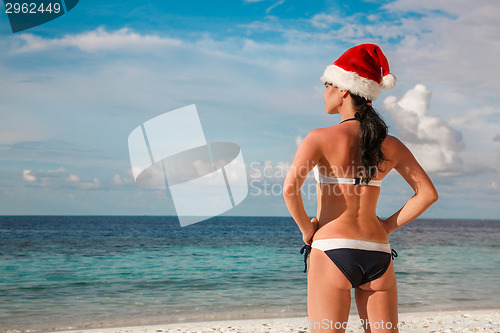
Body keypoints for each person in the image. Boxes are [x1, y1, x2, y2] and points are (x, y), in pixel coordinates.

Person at [283, 44, 438, 333]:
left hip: (331, 250)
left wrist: (308, 230)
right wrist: (387, 227)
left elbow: (290, 190)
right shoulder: (389, 144)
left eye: (327, 84)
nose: (324, 91)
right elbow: (428, 194)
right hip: (377, 250)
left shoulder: (319, 138)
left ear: (343, 89)